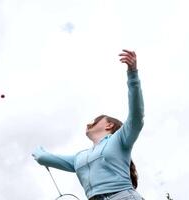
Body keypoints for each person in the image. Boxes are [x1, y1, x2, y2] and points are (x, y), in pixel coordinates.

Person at [32, 49, 144, 200]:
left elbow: (136, 116)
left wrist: (133, 74)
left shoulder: (120, 139)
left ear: (109, 125)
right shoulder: (79, 158)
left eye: (95, 120)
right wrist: (39, 151)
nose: (88, 123)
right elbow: (43, 158)